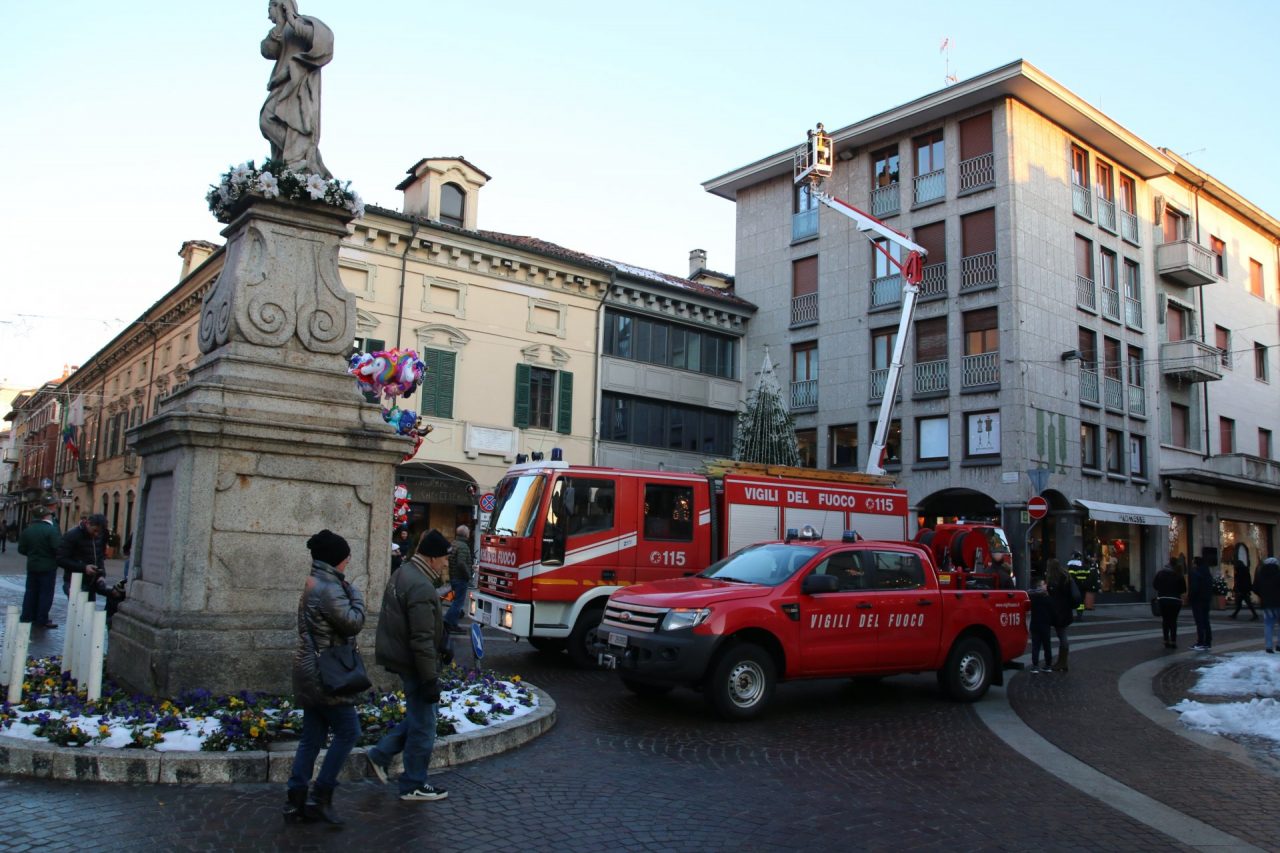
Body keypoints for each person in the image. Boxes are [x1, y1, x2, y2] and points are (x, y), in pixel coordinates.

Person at [284, 529, 365, 827]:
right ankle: (321, 796)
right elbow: (352, 623)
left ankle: (295, 800)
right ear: (336, 560)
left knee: (312, 737)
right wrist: (355, 593)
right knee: (349, 732)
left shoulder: (314, 582)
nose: (348, 562)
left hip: (308, 668)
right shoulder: (330, 588)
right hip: (327, 673)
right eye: (346, 557)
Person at [367, 528, 451, 802]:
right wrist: (430, 679)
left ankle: (380, 754)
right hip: (415, 663)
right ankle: (413, 783)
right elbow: (421, 639)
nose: (446, 563)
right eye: (443, 559)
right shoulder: (421, 585)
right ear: (431, 559)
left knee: (419, 717)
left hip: (403, 658)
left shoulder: (403, 573)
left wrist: (443, 641)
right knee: (425, 725)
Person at [259, 0, 334, 177]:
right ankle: (293, 160)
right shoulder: (280, 31)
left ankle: (296, 160)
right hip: (281, 83)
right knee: (269, 119)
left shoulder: (303, 24)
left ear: (281, 6)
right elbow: (267, 51)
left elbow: (323, 43)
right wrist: (278, 27)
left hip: (300, 83)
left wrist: (292, 20)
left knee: (285, 121)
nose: (268, 14)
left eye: (270, 8)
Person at [18, 506, 61, 629]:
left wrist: (32, 554)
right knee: (45, 594)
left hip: (32, 566)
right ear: (46, 516)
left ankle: (27, 616)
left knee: (30, 592)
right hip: (48, 567)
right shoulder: (51, 530)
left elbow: (21, 549)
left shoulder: (28, 530)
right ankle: (41, 618)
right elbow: (56, 548)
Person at [56, 514, 106, 599]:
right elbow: (60, 559)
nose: (96, 534)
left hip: (92, 583)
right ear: (87, 524)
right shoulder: (72, 535)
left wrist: (101, 575)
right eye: (95, 530)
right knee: (76, 609)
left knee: (89, 609)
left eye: (99, 532)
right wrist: (84, 567)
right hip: (75, 581)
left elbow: (100, 558)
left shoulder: (98, 537)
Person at [1046, 558, 1076, 672]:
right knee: (1062, 635)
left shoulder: (1055, 579)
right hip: (1065, 610)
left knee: (1062, 635)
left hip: (1059, 611)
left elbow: (1053, 595)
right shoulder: (1066, 576)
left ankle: (1062, 662)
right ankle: (1062, 661)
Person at [444, 525, 472, 635]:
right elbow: (461, 563)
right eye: (469, 532)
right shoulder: (463, 546)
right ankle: (449, 622)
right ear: (465, 534)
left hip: (453, 576)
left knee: (456, 601)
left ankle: (452, 622)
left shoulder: (453, 544)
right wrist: (468, 575)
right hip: (461, 578)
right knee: (458, 602)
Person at [1152, 561, 1186, 649]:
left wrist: (1162, 590)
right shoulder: (1178, 574)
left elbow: (1155, 585)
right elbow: (1183, 589)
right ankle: (1173, 641)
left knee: (1165, 620)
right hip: (1175, 600)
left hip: (1163, 599)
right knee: (1173, 621)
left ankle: (1166, 640)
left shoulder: (1160, 573)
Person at [1027, 575, 1054, 672]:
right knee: (1047, 645)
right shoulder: (1046, 597)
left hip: (1035, 623)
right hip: (1045, 624)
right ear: (1040, 586)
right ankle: (1048, 664)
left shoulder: (1031, 597)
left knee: (1036, 645)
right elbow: (1052, 610)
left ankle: (1035, 665)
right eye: (1044, 584)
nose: (1046, 585)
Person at [1187, 555, 1214, 651]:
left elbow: (1194, 587)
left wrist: (1190, 597)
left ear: (1195, 563)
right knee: (1206, 620)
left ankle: (1201, 641)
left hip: (1198, 600)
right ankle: (1208, 641)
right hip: (1206, 599)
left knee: (1199, 621)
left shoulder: (1196, 572)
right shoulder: (1207, 572)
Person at [1254, 557, 1280, 654]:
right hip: (1279, 603)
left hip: (1267, 604)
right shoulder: (1278, 574)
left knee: (1268, 625)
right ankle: (1279, 645)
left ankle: (1268, 646)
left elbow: (1255, 588)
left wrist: (1263, 595)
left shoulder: (1261, 574)